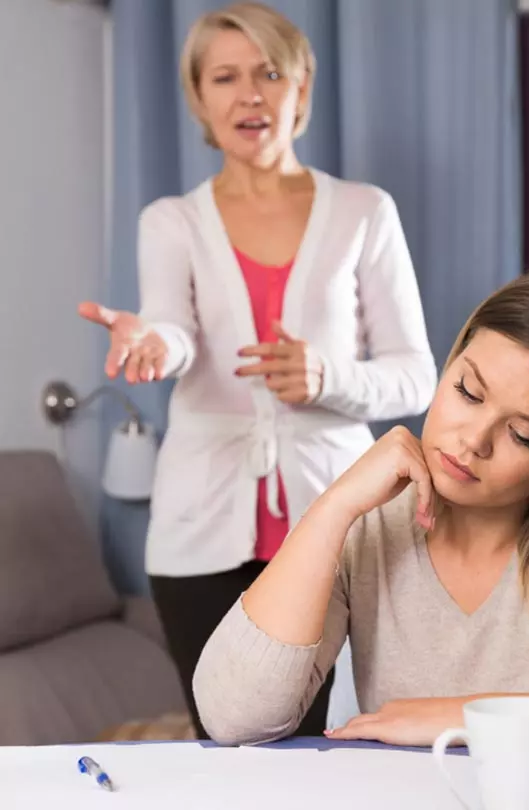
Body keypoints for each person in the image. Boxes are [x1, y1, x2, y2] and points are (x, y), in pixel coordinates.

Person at [77, 1, 436, 739]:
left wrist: (327, 377)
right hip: (197, 532)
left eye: (270, 73)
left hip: (336, 526)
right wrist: (152, 345)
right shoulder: (169, 222)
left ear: (300, 90)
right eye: (226, 77)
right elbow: (174, 331)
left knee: (319, 743)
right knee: (226, 738)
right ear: (200, 100)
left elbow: (416, 378)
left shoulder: (365, 212)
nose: (250, 94)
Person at [192, 268, 529, 747]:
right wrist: (333, 508)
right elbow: (235, 717)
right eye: (468, 391)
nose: (473, 442)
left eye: (524, 435)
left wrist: (470, 716)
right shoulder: (370, 518)